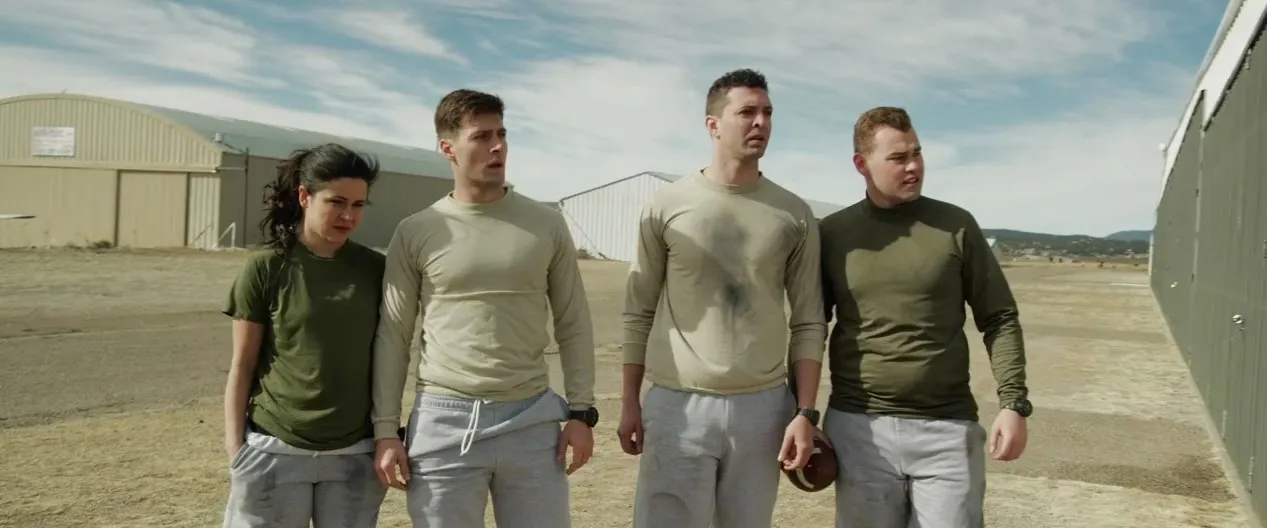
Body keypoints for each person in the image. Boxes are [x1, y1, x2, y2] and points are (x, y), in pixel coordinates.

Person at [369, 88, 598, 528]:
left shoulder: (546, 224)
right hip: (444, 421)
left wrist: (581, 412)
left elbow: (573, 321)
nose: (498, 147)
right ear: (447, 148)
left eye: (502, 134)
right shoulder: (416, 231)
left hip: (531, 420)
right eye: (481, 136)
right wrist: (385, 430)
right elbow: (394, 335)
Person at [618, 68, 828, 528]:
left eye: (767, 112)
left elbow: (810, 320)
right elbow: (638, 311)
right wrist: (630, 400)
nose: (761, 122)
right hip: (678, 403)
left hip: (763, 408)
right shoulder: (667, 206)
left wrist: (805, 413)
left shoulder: (793, 214)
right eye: (747, 112)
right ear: (713, 124)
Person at [818, 106, 1031, 528]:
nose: (914, 166)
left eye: (917, 153)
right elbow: (809, 327)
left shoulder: (956, 226)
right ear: (861, 164)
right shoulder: (833, 234)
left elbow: (999, 317)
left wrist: (1014, 403)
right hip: (859, 429)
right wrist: (800, 412)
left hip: (946, 430)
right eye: (898, 158)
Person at [220, 143, 387, 528]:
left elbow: (390, 356)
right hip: (274, 449)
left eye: (358, 205)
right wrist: (236, 449)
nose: (348, 215)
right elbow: (243, 364)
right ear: (304, 196)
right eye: (336, 202)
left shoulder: (377, 270)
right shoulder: (265, 268)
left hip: (355, 453)